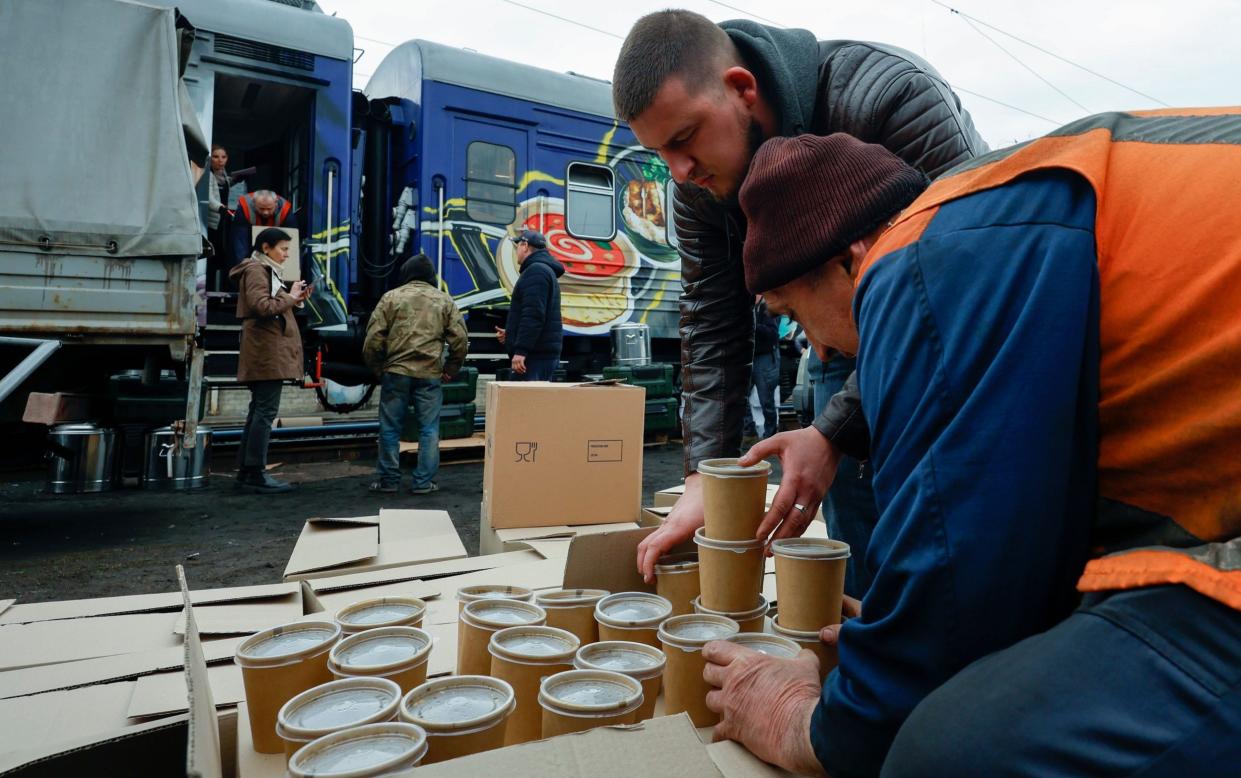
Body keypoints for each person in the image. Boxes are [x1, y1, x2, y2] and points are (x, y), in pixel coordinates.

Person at [699, 120, 1241, 777]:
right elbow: (1006, 548)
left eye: (793, 309)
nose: (814, 349)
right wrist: (909, 633)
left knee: (948, 751)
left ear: (851, 255)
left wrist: (808, 723)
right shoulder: (990, 215)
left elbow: (954, 566)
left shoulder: (920, 261)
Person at [613, 9, 987, 581]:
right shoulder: (697, 188)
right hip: (846, 329)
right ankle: (868, 640)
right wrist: (703, 480)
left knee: (942, 507)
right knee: (854, 520)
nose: (679, 173)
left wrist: (832, 430)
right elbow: (712, 326)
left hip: (958, 329)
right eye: (660, 153)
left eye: (684, 139)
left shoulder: (889, 97)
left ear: (742, 88)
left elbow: (968, 280)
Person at [363, 253, 468, 495]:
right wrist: (451, 369)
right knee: (429, 429)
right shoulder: (444, 301)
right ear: (431, 277)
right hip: (430, 374)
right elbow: (460, 339)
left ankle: (389, 481)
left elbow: (373, 339)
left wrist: (379, 368)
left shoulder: (391, 298)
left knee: (390, 428)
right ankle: (423, 483)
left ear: (407, 275)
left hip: (396, 373)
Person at [229, 227, 309, 494]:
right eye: (283, 249)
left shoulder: (262, 270)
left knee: (259, 411)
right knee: (264, 413)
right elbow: (262, 306)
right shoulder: (256, 270)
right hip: (266, 352)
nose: (286, 255)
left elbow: (268, 303)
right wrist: (290, 297)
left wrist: (293, 297)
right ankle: (255, 473)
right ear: (266, 248)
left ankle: (248, 471)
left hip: (265, 350)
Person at [494, 229, 564, 381]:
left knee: (524, 402)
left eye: (517, 246)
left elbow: (533, 316)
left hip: (534, 357)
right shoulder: (542, 270)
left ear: (525, 246)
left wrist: (521, 351)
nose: (516, 250)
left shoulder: (536, 271)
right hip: (539, 354)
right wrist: (511, 334)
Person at [742, 297, 780, 443]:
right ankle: (749, 430)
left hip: (764, 358)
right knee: (741, 397)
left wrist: (753, 326)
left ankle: (770, 435)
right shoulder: (747, 305)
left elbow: (773, 334)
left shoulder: (766, 306)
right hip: (748, 356)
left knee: (766, 400)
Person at [231, 189, 293, 268]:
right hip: (249, 236)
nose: (265, 212)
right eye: (261, 208)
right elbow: (240, 242)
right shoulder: (244, 207)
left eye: (269, 209)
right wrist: (242, 268)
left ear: (276, 203)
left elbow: (291, 243)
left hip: (276, 239)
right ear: (253, 203)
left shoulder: (285, 210)